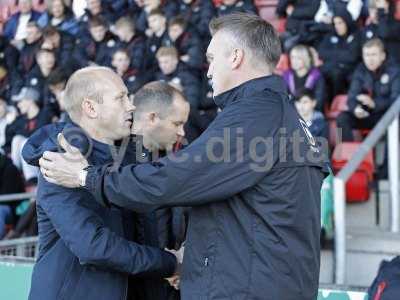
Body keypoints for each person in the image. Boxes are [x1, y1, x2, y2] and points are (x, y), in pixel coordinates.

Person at [39, 13, 328, 300]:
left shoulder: (255, 117)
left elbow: (176, 178)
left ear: (236, 57)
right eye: (121, 98)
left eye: (212, 59)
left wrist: (85, 177)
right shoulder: (281, 115)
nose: (209, 71)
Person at [22, 67, 178, 300]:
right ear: (90, 107)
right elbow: (93, 246)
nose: (131, 105)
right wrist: (170, 263)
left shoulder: (133, 153)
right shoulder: (60, 160)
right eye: (120, 98)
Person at [131, 81, 190, 300]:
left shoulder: (180, 154)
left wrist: (179, 260)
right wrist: (165, 265)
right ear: (153, 117)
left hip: (173, 275)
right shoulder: (116, 163)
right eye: (177, 123)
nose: (182, 131)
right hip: (141, 278)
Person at [337, 38, 400, 141]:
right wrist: (356, 109)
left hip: (387, 115)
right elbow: (351, 97)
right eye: (367, 55)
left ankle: (387, 157)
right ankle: (345, 152)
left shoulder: (394, 71)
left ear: (383, 56)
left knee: (393, 119)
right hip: (367, 115)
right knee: (342, 118)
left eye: (373, 55)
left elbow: (396, 102)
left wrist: (375, 104)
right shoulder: (360, 70)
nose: (370, 59)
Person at [283, 44, 326, 111]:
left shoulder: (316, 76)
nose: (294, 61)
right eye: (292, 57)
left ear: (306, 59)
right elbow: (283, 98)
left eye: (298, 58)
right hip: (291, 112)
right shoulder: (287, 76)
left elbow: (319, 101)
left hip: (311, 113)